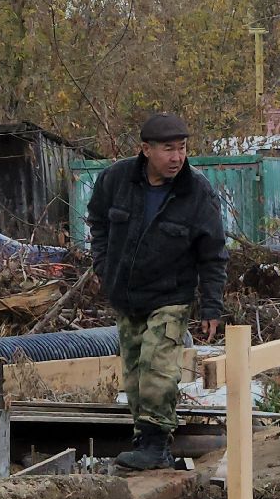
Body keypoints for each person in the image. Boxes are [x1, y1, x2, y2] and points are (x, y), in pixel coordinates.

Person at [86, 112, 229, 471]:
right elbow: (98, 222)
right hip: (127, 295)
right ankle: (146, 442)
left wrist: (211, 306)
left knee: (158, 368)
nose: (177, 157)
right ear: (146, 149)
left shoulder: (196, 193)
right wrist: (103, 265)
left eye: (182, 148)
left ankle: (156, 444)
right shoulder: (116, 180)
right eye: (168, 149)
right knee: (135, 375)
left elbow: (213, 253)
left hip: (171, 297)